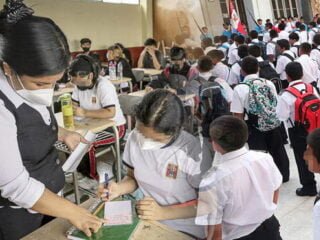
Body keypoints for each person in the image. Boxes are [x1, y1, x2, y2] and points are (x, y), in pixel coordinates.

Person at [0, 1, 103, 239]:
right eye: (40, 84)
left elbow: (32, 125)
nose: (48, 91)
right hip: (16, 215)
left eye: (54, 82)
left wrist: (62, 133)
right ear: (8, 68)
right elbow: (15, 185)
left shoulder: (25, 86)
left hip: (49, 201)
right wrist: (75, 212)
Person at [98, 90, 211, 239]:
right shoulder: (133, 138)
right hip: (147, 217)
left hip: (183, 226)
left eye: (156, 140)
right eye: (141, 133)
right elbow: (133, 177)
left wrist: (163, 213)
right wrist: (118, 188)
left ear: (175, 131)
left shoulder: (193, 152)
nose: (144, 143)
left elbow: (209, 204)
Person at [196, 116, 283, 240]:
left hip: (238, 236)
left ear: (214, 144)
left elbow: (214, 230)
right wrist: (266, 209)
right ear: (246, 136)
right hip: (269, 228)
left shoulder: (212, 181)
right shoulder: (263, 158)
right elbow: (276, 187)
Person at [231, 56, 290, 182]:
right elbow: (275, 102)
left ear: (242, 71)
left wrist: (241, 133)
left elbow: (238, 114)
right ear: (258, 68)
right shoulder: (268, 83)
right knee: (278, 150)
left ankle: (264, 179)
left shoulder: (240, 88)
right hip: (273, 121)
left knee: (258, 153)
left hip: (253, 124)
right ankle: (283, 175)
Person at [69, 55, 126, 179]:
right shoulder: (77, 85)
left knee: (85, 144)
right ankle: (77, 172)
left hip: (114, 128)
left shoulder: (104, 86)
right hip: (92, 125)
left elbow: (110, 112)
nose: (74, 83)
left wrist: (84, 113)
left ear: (89, 76)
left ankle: (91, 177)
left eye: (77, 79)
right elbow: (74, 105)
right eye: (72, 79)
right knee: (72, 138)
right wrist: (72, 110)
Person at [276, 62, 318, 196]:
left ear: (287, 76)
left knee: (302, 158)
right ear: (302, 73)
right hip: (315, 125)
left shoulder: (286, 95)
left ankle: (309, 186)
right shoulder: (311, 88)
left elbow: (282, 116)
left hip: (297, 130)